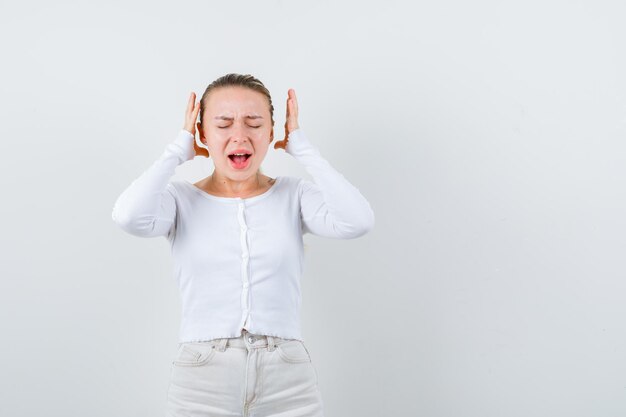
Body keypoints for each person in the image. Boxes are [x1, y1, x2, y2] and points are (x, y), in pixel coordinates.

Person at [111, 73, 375, 417]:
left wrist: (303, 149)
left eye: (254, 123)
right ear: (202, 133)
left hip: (289, 378)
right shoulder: (179, 200)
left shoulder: (293, 195)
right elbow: (128, 216)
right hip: (201, 379)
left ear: (270, 133)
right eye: (223, 124)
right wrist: (178, 150)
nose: (240, 135)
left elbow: (357, 221)